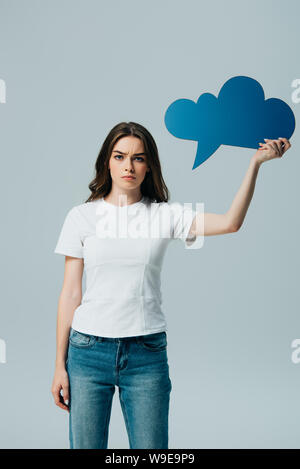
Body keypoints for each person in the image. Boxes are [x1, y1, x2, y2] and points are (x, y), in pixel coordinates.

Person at [51, 121, 291, 449]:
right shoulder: (81, 217)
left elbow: (231, 223)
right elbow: (71, 293)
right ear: (107, 161)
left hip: (146, 354)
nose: (128, 166)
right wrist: (58, 366)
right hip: (88, 353)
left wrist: (255, 165)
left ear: (149, 165)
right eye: (120, 156)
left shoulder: (165, 215)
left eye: (138, 158)